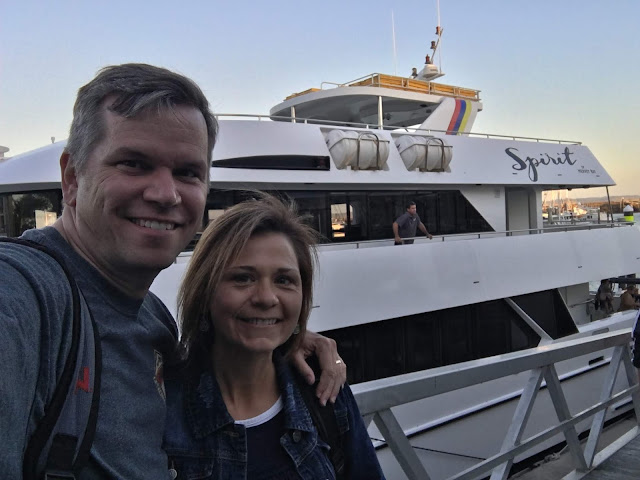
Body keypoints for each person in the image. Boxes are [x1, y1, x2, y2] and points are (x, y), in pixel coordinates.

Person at [0, 64, 346, 478]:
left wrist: (276, 339)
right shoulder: (24, 297)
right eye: (133, 163)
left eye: (187, 173)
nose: (166, 195)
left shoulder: (152, 317)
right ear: (72, 178)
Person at [163, 194, 385, 479]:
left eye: (284, 280)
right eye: (243, 278)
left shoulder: (323, 388)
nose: (266, 298)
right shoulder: (162, 403)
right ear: (205, 291)